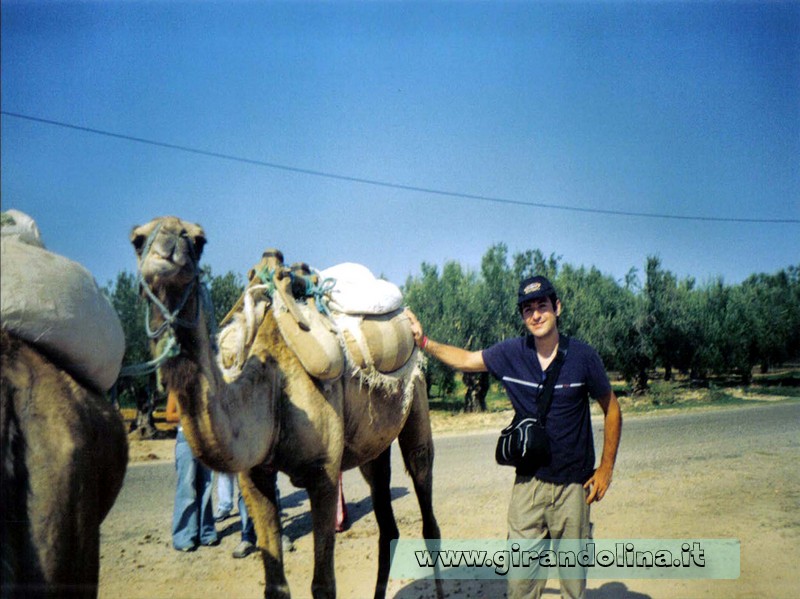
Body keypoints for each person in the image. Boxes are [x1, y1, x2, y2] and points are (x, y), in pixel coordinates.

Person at [405, 275, 621, 599]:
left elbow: (613, 409)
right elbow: (465, 359)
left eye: (542, 306)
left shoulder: (583, 357)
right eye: (528, 309)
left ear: (557, 307)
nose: (536, 315)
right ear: (522, 316)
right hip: (528, 489)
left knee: (573, 587)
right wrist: (424, 342)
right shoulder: (511, 354)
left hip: (574, 488)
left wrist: (605, 469)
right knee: (520, 586)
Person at [166, 390, 219, 552]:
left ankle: (207, 532)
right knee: (187, 488)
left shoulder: (205, 387)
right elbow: (169, 415)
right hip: (186, 439)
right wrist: (191, 415)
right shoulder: (176, 388)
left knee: (207, 486)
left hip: (205, 441)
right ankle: (183, 536)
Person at [215, 470, 295, 557]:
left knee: (270, 485)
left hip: (266, 458)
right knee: (244, 489)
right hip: (244, 459)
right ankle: (247, 538)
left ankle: (277, 535)